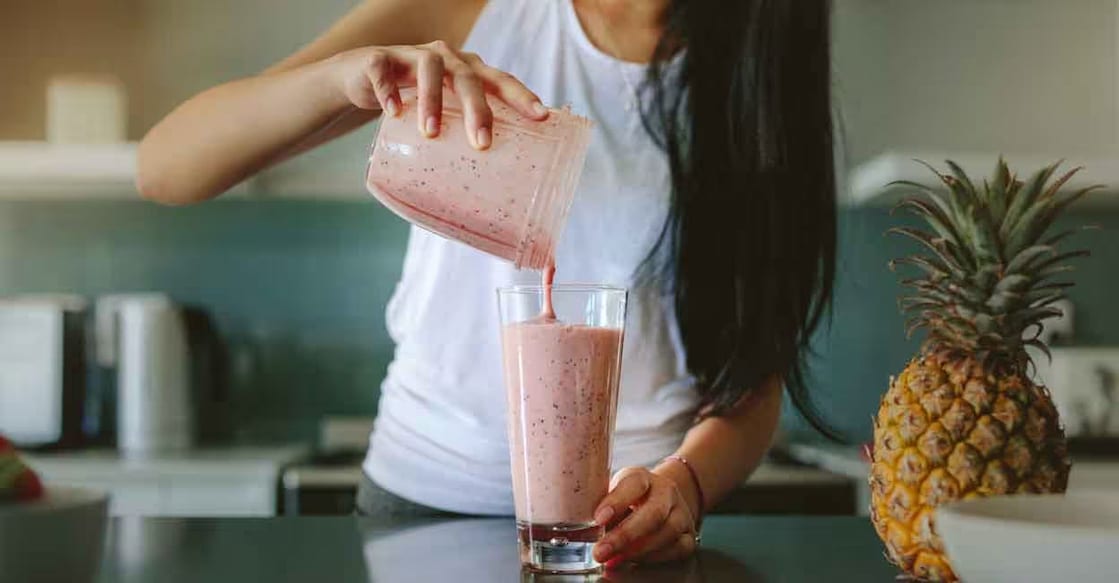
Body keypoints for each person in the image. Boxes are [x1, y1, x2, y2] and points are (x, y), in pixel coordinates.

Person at [138, 0, 837, 566]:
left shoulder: (758, 75)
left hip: (622, 534)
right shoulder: (472, 14)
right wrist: (345, 76)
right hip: (419, 510)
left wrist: (683, 485)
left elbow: (754, 376)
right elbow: (167, 168)